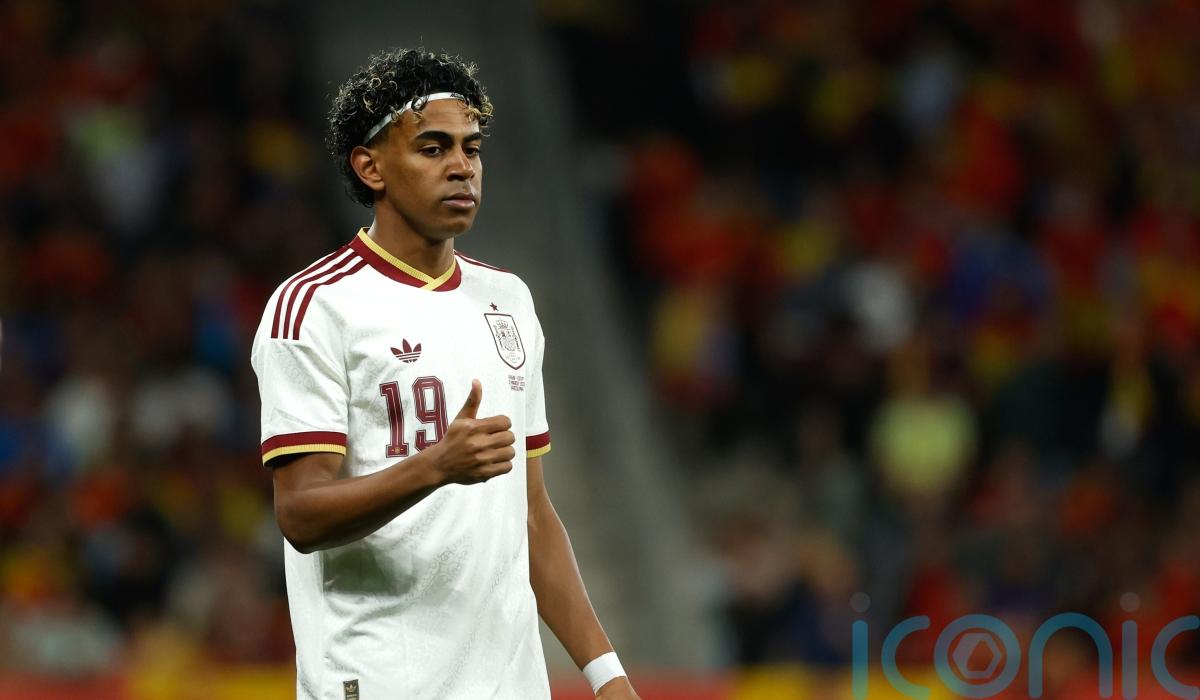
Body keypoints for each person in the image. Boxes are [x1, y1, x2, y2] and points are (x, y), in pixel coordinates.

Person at [250, 48, 639, 699]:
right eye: (433, 148)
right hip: (380, 681)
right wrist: (434, 466)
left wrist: (606, 676)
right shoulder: (314, 307)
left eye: (471, 148)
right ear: (370, 167)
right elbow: (301, 513)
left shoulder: (507, 301)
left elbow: (532, 514)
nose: (462, 166)